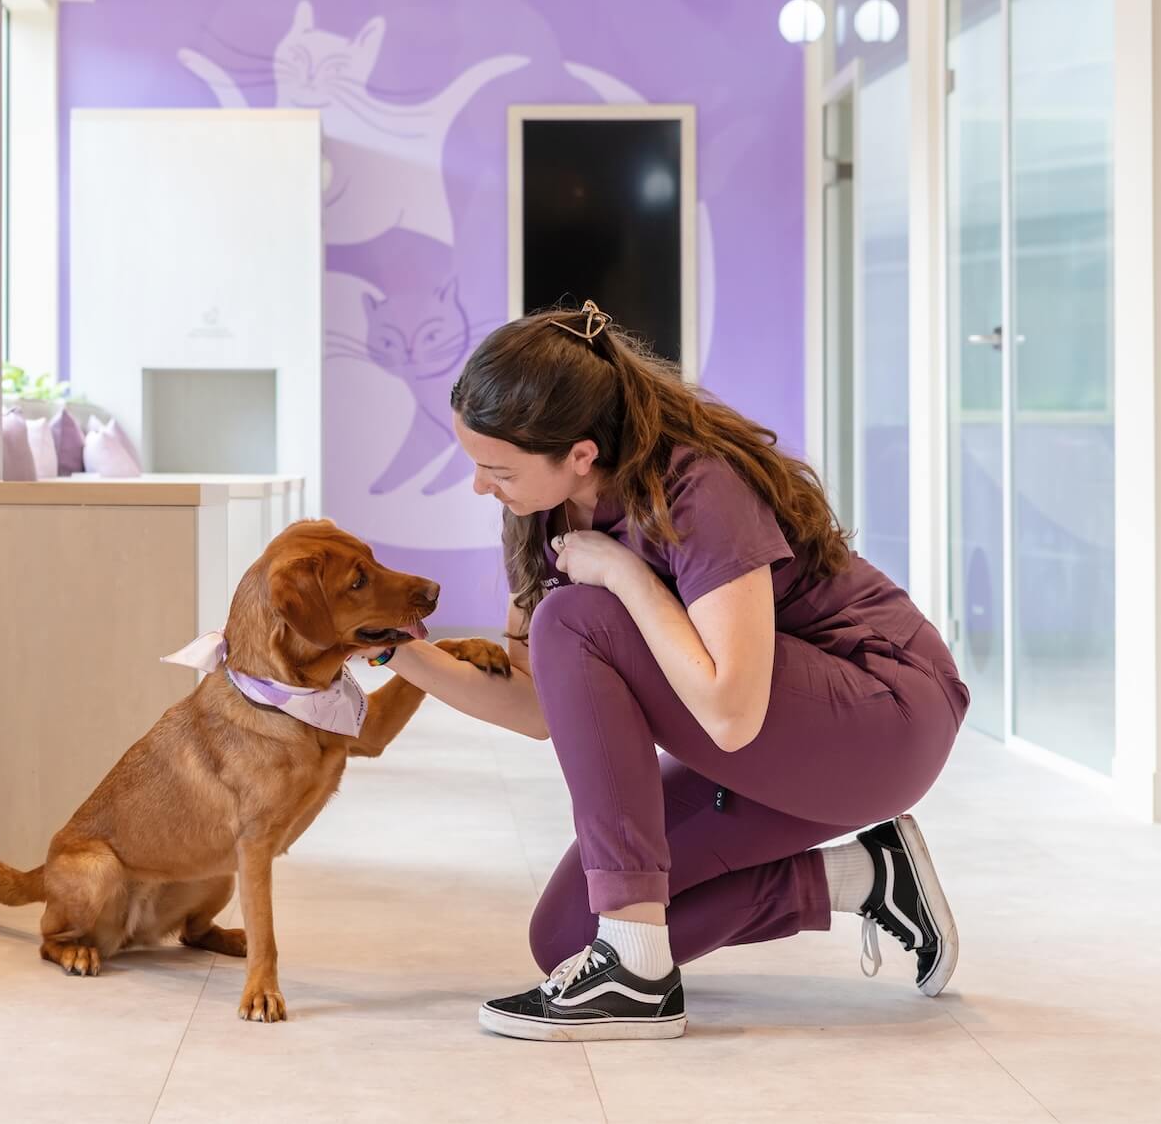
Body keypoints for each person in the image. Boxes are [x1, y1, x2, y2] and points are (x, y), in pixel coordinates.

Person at [378, 301, 970, 1041]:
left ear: (582, 454)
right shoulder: (543, 509)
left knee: (572, 617)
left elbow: (730, 710)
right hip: (781, 738)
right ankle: (865, 875)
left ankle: (635, 969)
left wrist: (629, 576)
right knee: (564, 939)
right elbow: (538, 705)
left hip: (886, 716)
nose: (479, 486)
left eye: (495, 469)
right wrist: (391, 647)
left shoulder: (696, 488)